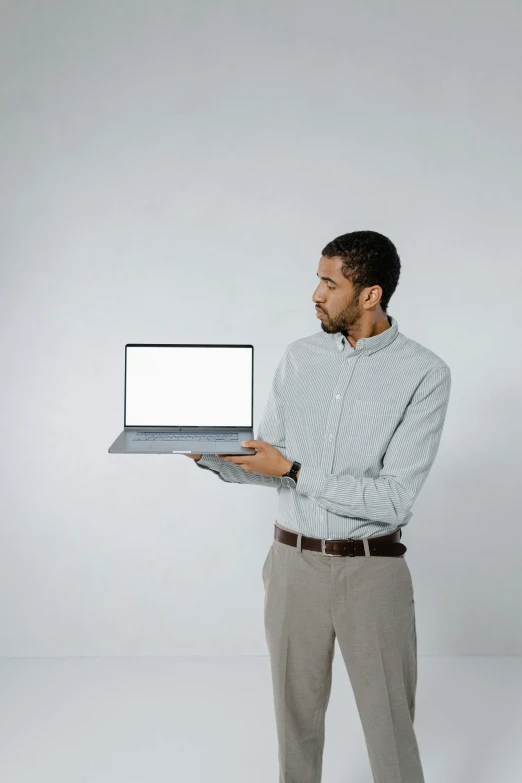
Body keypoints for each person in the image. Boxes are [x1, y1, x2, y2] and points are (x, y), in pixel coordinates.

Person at [185, 230, 451, 783]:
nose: (315, 294)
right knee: (294, 728)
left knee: (390, 733)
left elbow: (393, 498)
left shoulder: (424, 373)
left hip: (372, 573)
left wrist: (294, 470)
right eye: (317, 279)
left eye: (329, 283)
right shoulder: (299, 358)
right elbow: (271, 467)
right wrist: (208, 453)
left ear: (370, 294)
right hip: (291, 569)